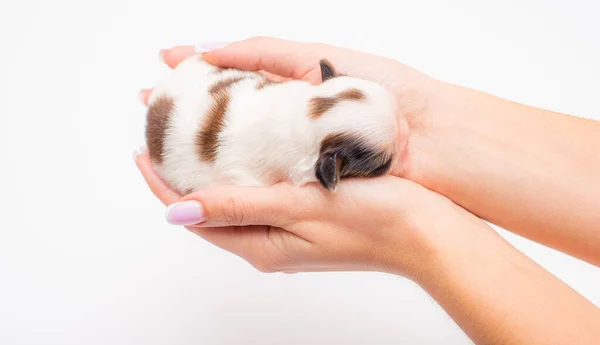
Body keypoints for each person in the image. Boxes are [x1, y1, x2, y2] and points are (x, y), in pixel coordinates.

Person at [134, 37, 600, 344]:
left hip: (200, 97)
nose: (404, 134)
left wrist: (418, 234)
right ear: (327, 171)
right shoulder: (276, 163)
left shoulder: (299, 138)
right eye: (388, 148)